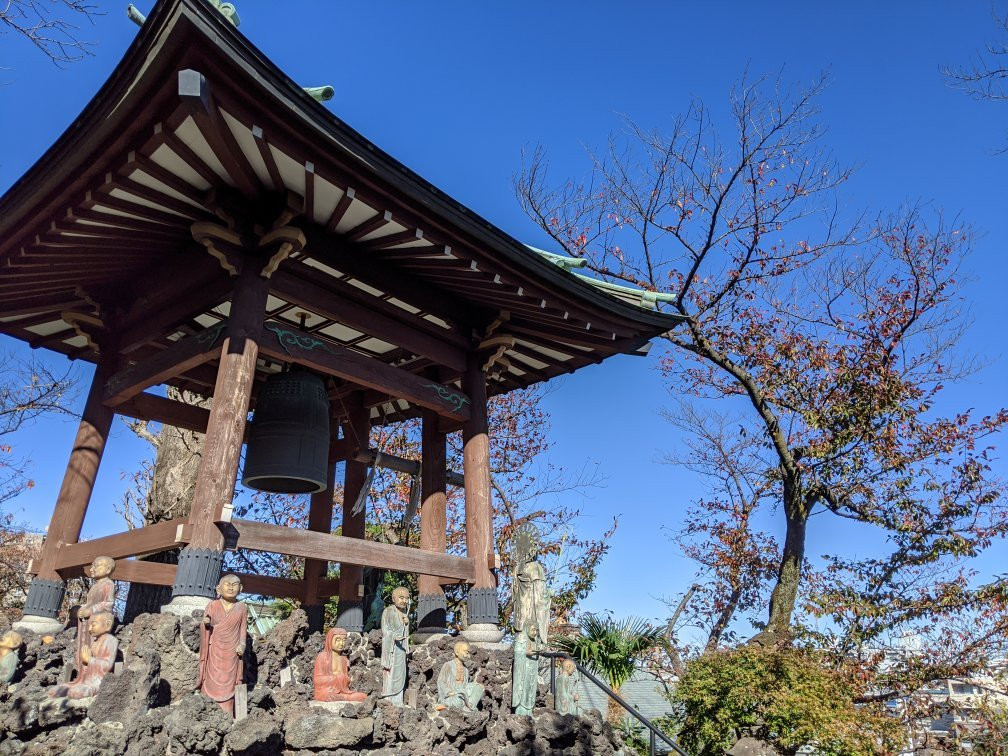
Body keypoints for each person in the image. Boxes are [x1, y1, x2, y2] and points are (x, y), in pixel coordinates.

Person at [196, 574, 247, 716]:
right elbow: (206, 624)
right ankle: (207, 706)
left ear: (241, 588)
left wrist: (242, 645)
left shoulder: (241, 607)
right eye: (227, 584)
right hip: (215, 650)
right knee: (211, 677)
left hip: (232, 652)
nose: (231, 587)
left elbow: (242, 631)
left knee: (230, 681)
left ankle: (227, 710)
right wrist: (205, 623)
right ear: (218, 588)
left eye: (235, 584)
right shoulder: (213, 605)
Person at [47, 611, 117, 700]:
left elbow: (108, 666)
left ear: (108, 624)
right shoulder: (94, 642)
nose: (90, 628)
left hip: (98, 681)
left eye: (94, 625)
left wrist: (89, 659)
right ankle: (73, 687)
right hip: (85, 679)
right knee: (55, 691)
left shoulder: (111, 640)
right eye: (89, 625)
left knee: (75, 692)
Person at [75, 556, 116, 677]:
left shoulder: (108, 584)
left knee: (94, 647)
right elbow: (89, 602)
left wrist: (92, 610)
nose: (92, 569)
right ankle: (81, 671)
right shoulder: (94, 586)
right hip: (87, 623)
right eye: (92, 565)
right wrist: (82, 609)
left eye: (96, 565)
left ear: (108, 569)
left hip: (97, 622)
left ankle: (92, 672)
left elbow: (109, 603)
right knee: (84, 645)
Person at [313, 627, 367, 702]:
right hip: (327, 692)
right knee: (329, 697)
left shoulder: (344, 659)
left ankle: (346, 698)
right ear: (330, 640)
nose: (341, 643)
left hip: (343, 691)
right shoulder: (322, 657)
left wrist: (345, 679)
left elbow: (346, 679)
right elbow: (317, 680)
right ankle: (346, 698)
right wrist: (337, 678)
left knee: (363, 696)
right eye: (338, 640)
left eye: (344, 640)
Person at [380, 586, 410, 706]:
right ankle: (389, 698)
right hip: (391, 648)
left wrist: (407, 624)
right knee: (391, 672)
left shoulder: (404, 613)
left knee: (400, 672)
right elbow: (385, 631)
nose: (404, 601)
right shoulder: (388, 611)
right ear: (393, 599)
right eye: (401, 597)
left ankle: (398, 698)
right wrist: (393, 637)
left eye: (407, 598)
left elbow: (405, 633)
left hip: (401, 649)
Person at [436, 640, 484, 712]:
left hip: (462, 694)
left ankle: (469, 705)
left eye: (468, 653)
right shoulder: (448, 665)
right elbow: (441, 682)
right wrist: (448, 692)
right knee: (457, 701)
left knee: (479, 687)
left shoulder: (466, 670)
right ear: (457, 652)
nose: (468, 655)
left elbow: (465, 686)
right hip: (451, 695)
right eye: (466, 652)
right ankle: (463, 706)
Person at [512, 622, 541, 716]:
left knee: (530, 689)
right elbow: (517, 652)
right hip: (523, 669)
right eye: (533, 630)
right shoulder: (521, 637)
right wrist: (525, 653)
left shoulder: (534, 640)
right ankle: (520, 710)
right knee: (523, 688)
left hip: (532, 668)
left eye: (536, 630)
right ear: (527, 628)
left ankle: (529, 710)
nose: (535, 633)